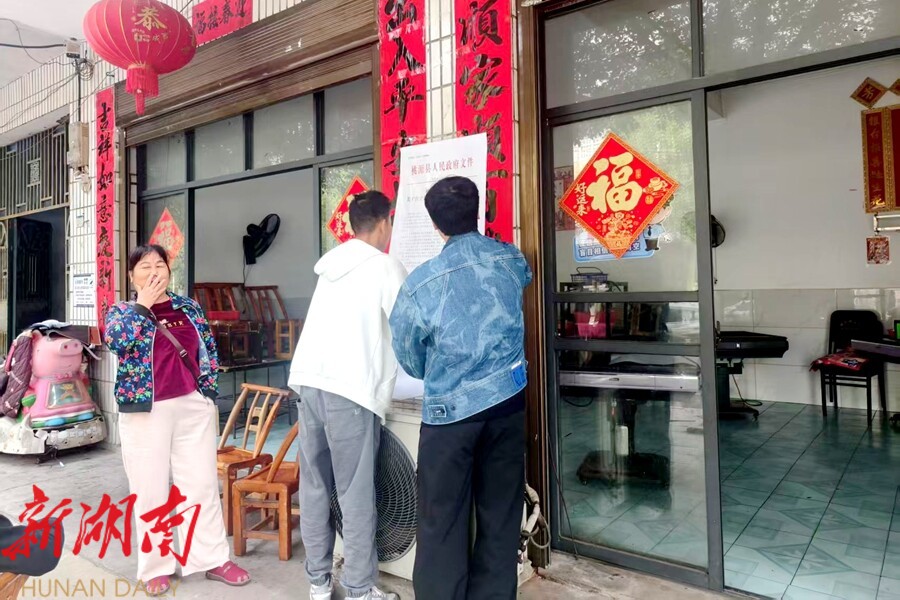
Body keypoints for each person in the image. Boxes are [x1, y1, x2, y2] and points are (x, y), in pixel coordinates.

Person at [389, 176, 532, 600]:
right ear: (479, 212)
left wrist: (436, 370)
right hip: (508, 406)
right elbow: (522, 281)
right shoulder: (511, 259)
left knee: (441, 521)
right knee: (501, 514)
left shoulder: (421, 283)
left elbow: (408, 353)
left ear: (435, 224)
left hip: (449, 417)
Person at [104, 244, 250, 597]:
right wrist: (143, 306)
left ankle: (212, 559)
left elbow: (207, 349)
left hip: (192, 406)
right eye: (144, 267)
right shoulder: (121, 312)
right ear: (131, 277)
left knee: (201, 485)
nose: (154, 271)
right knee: (150, 490)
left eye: (160, 264)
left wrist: (206, 392)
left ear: (170, 271)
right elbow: (117, 343)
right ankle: (156, 567)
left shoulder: (188, 307)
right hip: (145, 412)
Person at [289, 190, 407, 600]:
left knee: (315, 486)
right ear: (385, 222)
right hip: (349, 390)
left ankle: (318, 583)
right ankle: (358, 588)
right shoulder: (384, 265)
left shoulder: (330, 266)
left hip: (309, 381)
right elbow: (408, 327)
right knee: (355, 491)